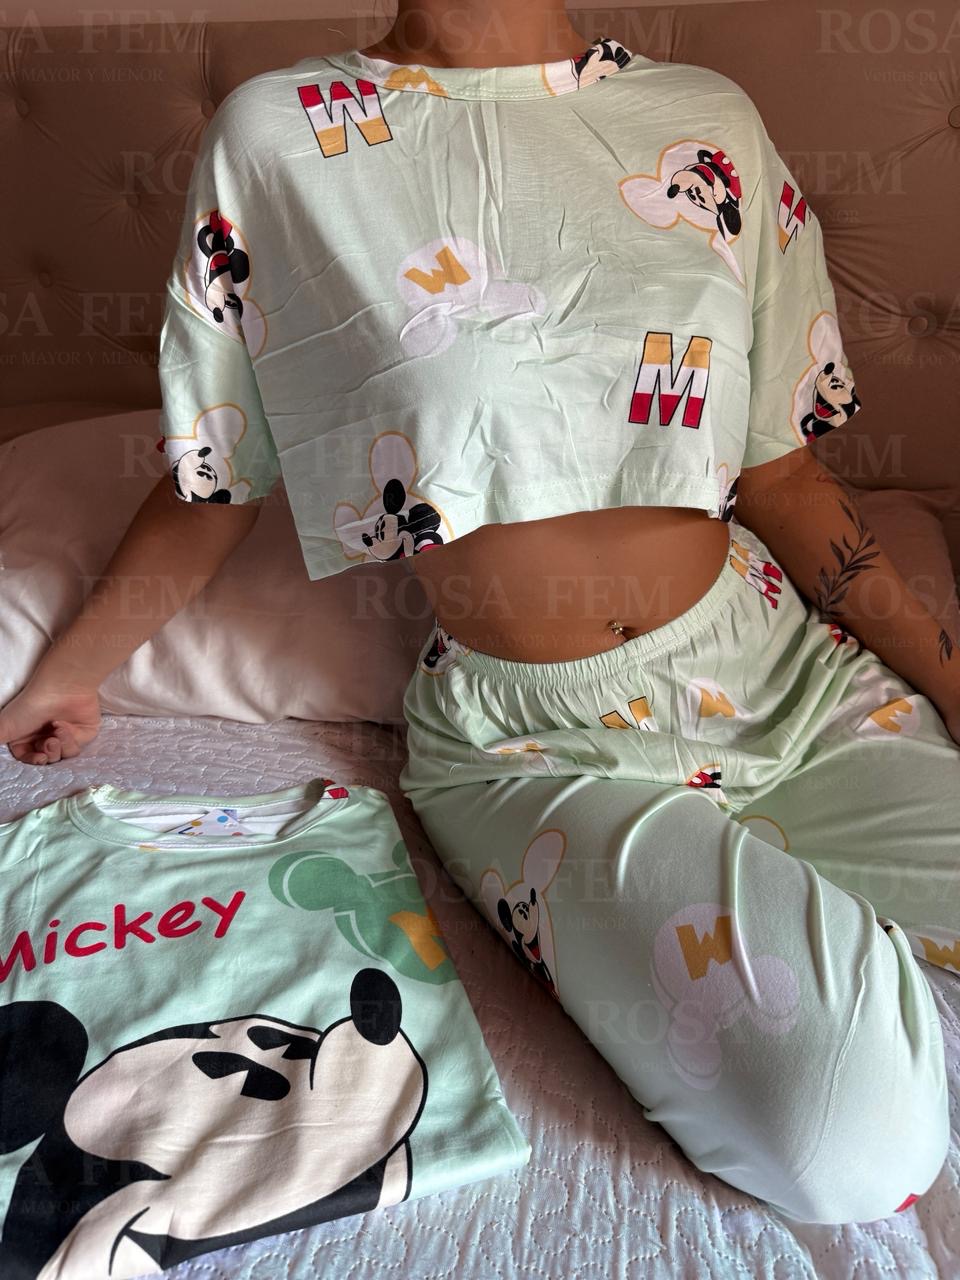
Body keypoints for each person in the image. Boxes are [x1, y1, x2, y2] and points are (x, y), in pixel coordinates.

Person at [2, 0, 958, 1228]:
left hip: (782, 673)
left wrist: (947, 677)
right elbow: (217, 478)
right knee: (846, 1141)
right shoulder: (280, 140)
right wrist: (67, 671)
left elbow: (781, 476)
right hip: (537, 749)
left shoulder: (704, 121)